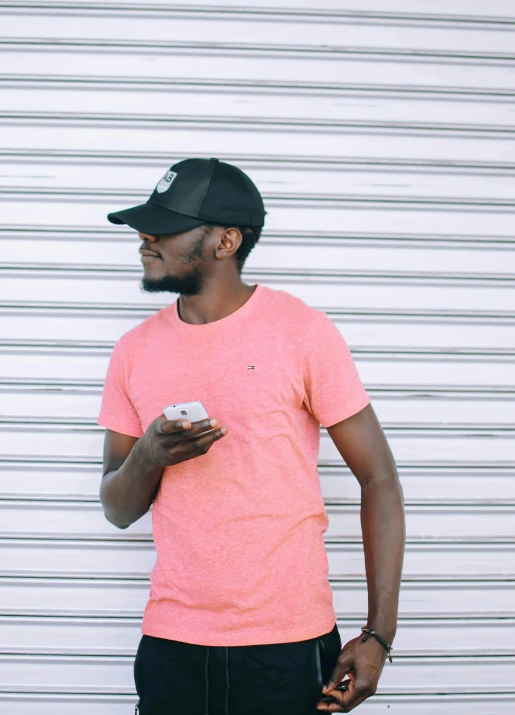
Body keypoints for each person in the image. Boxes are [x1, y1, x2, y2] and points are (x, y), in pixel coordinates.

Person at [98, 158, 405, 715]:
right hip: (173, 645)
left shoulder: (303, 332)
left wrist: (378, 635)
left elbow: (379, 477)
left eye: (165, 226)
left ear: (226, 241)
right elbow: (117, 509)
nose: (145, 237)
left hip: (288, 645)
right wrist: (150, 454)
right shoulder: (133, 350)